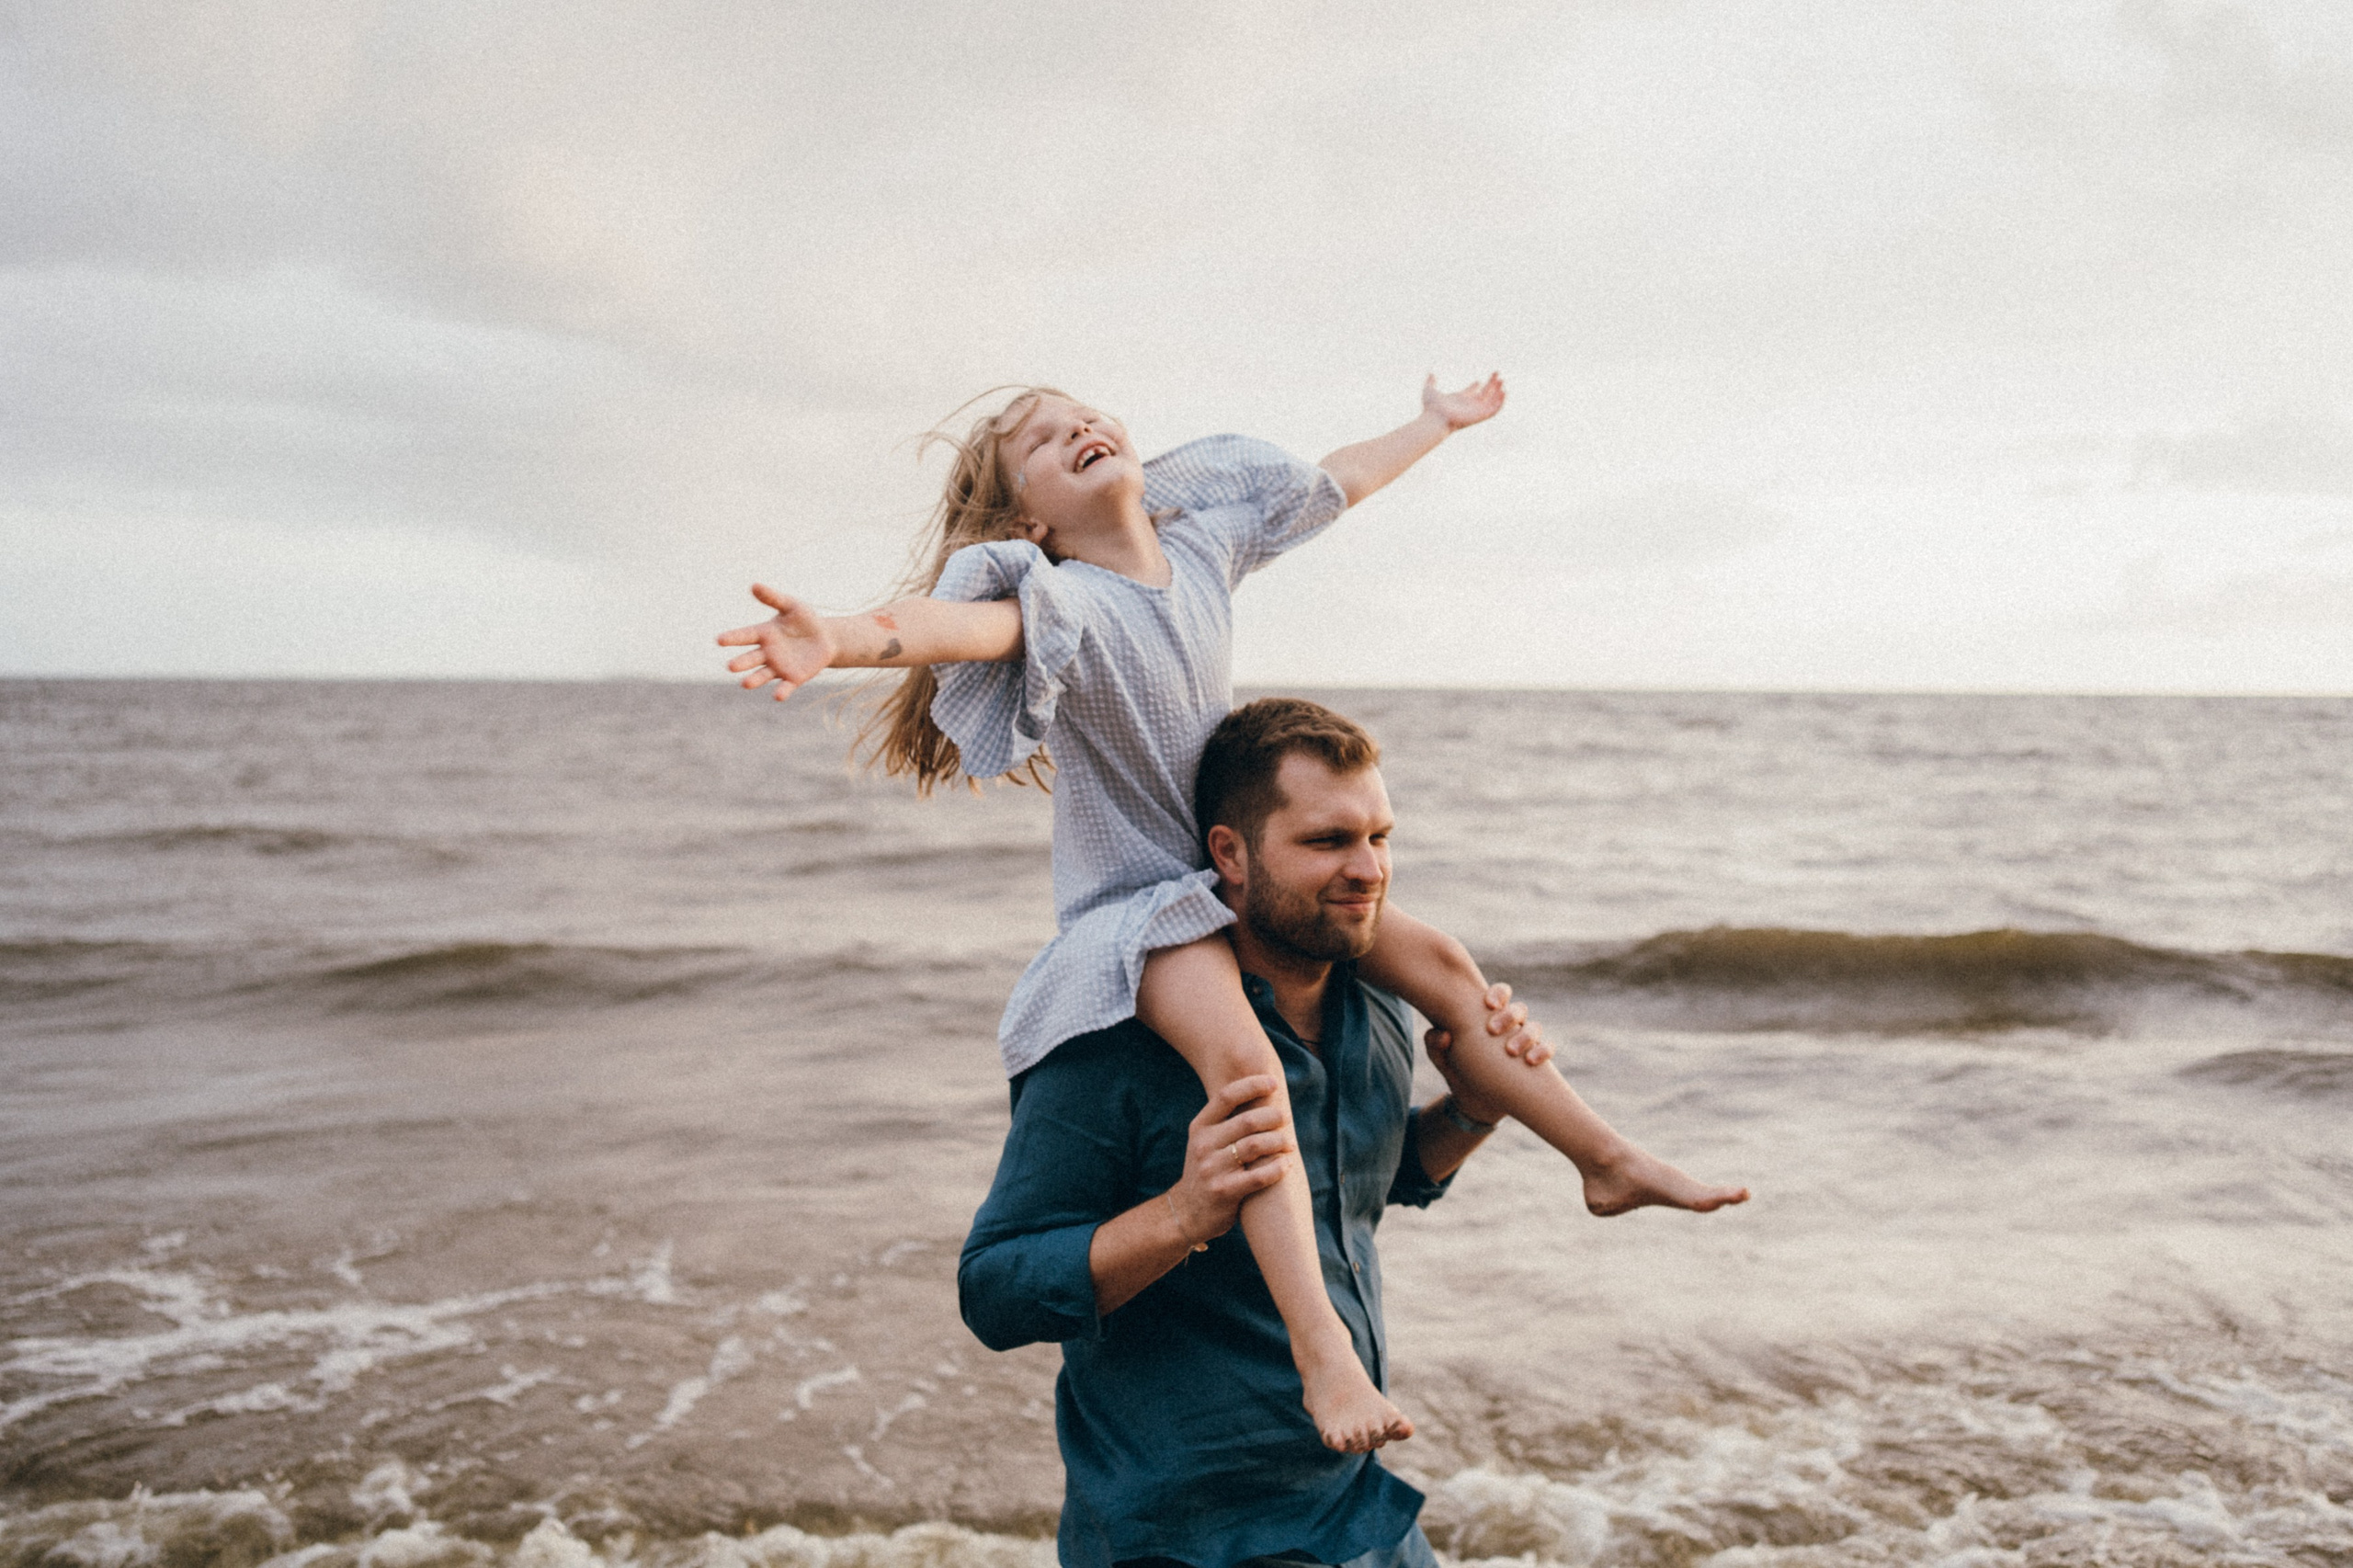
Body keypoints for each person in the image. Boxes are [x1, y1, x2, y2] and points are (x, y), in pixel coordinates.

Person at [718, 380, 1746, 1452]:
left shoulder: (1204, 548)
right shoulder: (1059, 601)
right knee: (1250, 1077)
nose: (1075, 427)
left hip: (1231, 879)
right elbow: (945, 625)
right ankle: (1321, 1348)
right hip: (1144, 910)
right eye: (1039, 437)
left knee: (1445, 964)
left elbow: (1339, 480)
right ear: (1027, 519)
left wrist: (1433, 427)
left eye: (1084, 413)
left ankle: (1605, 1157)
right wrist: (831, 637)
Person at [961, 699, 1517, 1568]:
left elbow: (1372, 1182)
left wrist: (1477, 1108)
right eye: (1327, 841)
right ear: (1230, 853)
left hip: (1356, 1509)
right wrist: (1183, 1216)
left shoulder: (1372, 1004)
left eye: (1379, 836)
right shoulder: (1116, 1039)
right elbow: (993, 1291)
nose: (1368, 869)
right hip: (1185, 1534)